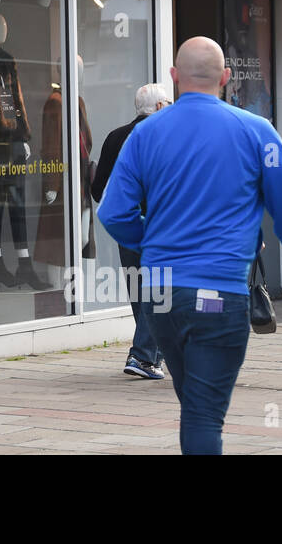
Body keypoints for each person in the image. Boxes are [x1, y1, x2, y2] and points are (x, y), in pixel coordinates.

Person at [97, 37, 282, 455]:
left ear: (174, 77)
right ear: (225, 77)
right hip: (221, 293)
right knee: (202, 414)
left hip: (161, 293)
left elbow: (112, 213)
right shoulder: (256, 131)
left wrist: (149, 246)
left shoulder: (144, 135)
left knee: (194, 406)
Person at [90, 82, 172, 380]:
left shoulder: (115, 137)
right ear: (160, 107)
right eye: (169, 102)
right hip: (158, 226)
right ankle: (142, 356)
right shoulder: (163, 136)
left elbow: (98, 189)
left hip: (127, 228)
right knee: (160, 294)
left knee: (142, 293)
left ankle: (152, 357)